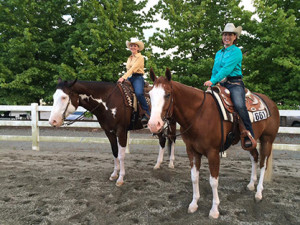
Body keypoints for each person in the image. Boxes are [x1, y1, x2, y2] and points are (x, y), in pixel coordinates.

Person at [204, 23, 254, 148]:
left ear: (235, 37)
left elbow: (226, 69)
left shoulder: (236, 52)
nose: (227, 37)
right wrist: (212, 82)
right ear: (222, 37)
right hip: (221, 83)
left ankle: (249, 133)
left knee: (239, 104)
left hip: (234, 83)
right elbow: (215, 70)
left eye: (230, 35)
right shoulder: (218, 53)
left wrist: (213, 80)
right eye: (225, 34)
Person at [118, 38, 150, 124]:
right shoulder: (129, 58)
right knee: (120, 90)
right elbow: (128, 69)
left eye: (135, 46)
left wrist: (123, 77)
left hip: (137, 77)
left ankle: (146, 113)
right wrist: (125, 78)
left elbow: (133, 68)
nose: (133, 47)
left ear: (138, 48)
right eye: (131, 45)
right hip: (130, 77)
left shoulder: (140, 57)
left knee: (139, 93)